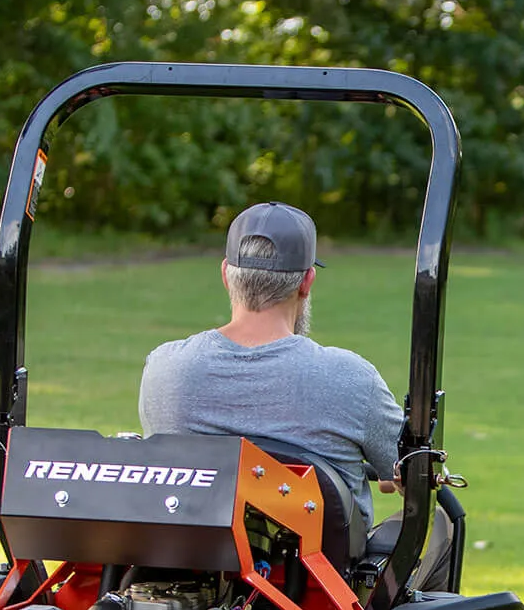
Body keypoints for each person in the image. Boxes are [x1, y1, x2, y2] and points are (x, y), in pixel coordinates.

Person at [139, 202, 451, 590]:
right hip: (320, 593)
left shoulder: (163, 370)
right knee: (440, 522)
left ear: (225, 275)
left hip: (199, 579)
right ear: (306, 281)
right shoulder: (350, 378)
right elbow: (408, 470)